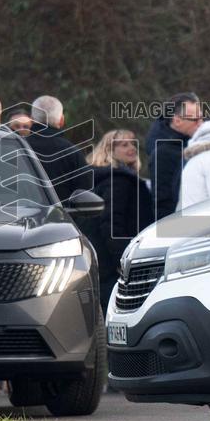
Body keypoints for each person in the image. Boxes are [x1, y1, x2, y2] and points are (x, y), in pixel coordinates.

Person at [83, 130, 155, 310]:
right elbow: (111, 224)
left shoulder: (110, 179)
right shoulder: (118, 181)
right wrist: (123, 263)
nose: (132, 148)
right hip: (117, 264)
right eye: (124, 145)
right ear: (109, 150)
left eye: (133, 143)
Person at [145, 92, 203, 220]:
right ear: (177, 121)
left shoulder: (195, 143)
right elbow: (163, 201)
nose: (201, 124)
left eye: (202, 118)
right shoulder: (162, 153)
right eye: (196, 120)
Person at [26, 95, 91, 201]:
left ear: (31, 119)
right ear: (61, 120)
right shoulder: (73, 153)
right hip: (61, 216)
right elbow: (85, 195)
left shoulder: (16, 147)